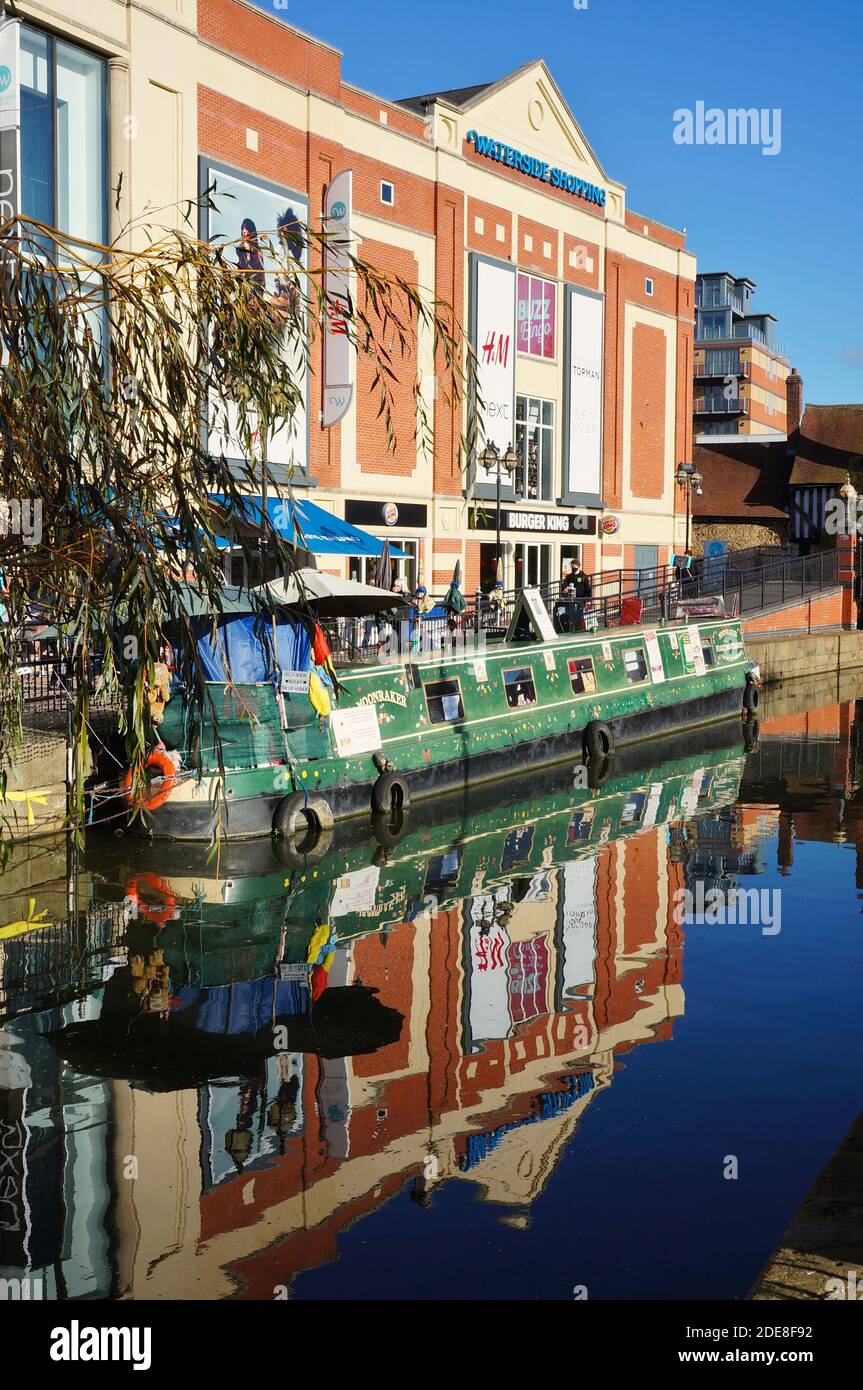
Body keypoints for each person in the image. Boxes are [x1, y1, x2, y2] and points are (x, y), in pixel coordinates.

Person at [559, 558, 592, 632]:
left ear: (578, 566)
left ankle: (579, 629)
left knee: (579, 616)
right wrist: (565, 589)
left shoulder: (583, 576)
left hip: (580, 600)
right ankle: (571, 629)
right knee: (570, 616)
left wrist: (589, 600)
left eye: (574, 566)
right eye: (571, 566)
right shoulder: (569, 576)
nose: (572, 568)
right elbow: (564, 585)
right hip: (571, 600)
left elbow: (588, 589)